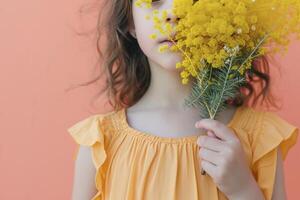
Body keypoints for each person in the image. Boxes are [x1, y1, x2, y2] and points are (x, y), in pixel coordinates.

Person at [67, 0, 299, 199]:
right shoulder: (101, 145)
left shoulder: (259, 139)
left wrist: (243, 190)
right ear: (130, 21)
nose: (173, 12)